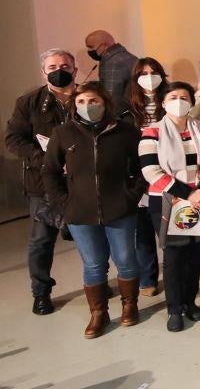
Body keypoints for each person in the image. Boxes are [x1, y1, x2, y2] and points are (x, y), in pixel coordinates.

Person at [42, 82, 144, 338]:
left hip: (120, 208)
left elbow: (143, 166)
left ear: (105, 103)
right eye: (81, 102)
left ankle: (130, 305)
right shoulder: (63, 133)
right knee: (94, 264)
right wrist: (65, 203)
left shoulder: (125, 131)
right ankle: (99, 312)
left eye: (93, 101)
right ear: (74, 106)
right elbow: (51, 172)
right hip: (80, 213)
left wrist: (131, 195)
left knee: (126, 260)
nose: (87, 107)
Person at [139, 82, 200, 332]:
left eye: (184, 97)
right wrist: (188, 193)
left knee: (196, 254)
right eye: (173, 97)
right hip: (168, 200)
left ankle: (191, 301)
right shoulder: (151, 132)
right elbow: (150, 170)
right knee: (175, 255)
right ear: (163, 103)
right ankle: (174, 309)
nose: (179, 101)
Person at [6, 49, 79, 315]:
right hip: (43, 182)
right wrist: (45, 160)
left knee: (89, 236)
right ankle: (41, 292)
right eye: (52, 66)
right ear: (43, 71)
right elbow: (14, 139)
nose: (59, 70)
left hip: (82, 180)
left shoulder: (88, 97)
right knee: (41, 241)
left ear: (75, 69)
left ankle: (96, 282)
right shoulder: (28, 102)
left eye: (65, 65)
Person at [124, 57, 170, 295]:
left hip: (168, 171)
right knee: (142, 231)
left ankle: (174, 272)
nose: (149, 77)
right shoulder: (126, 108)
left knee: (168, 227)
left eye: (154, 71)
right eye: (143, 72)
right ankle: (148, 278)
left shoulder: (171, 100)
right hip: (138, 173)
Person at [84, 30, 138, 107]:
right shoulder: (127, 56)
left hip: (123, 116)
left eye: (91, 47)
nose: (89, 51)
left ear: (105, 45)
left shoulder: (113, 63)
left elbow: (110, 98)